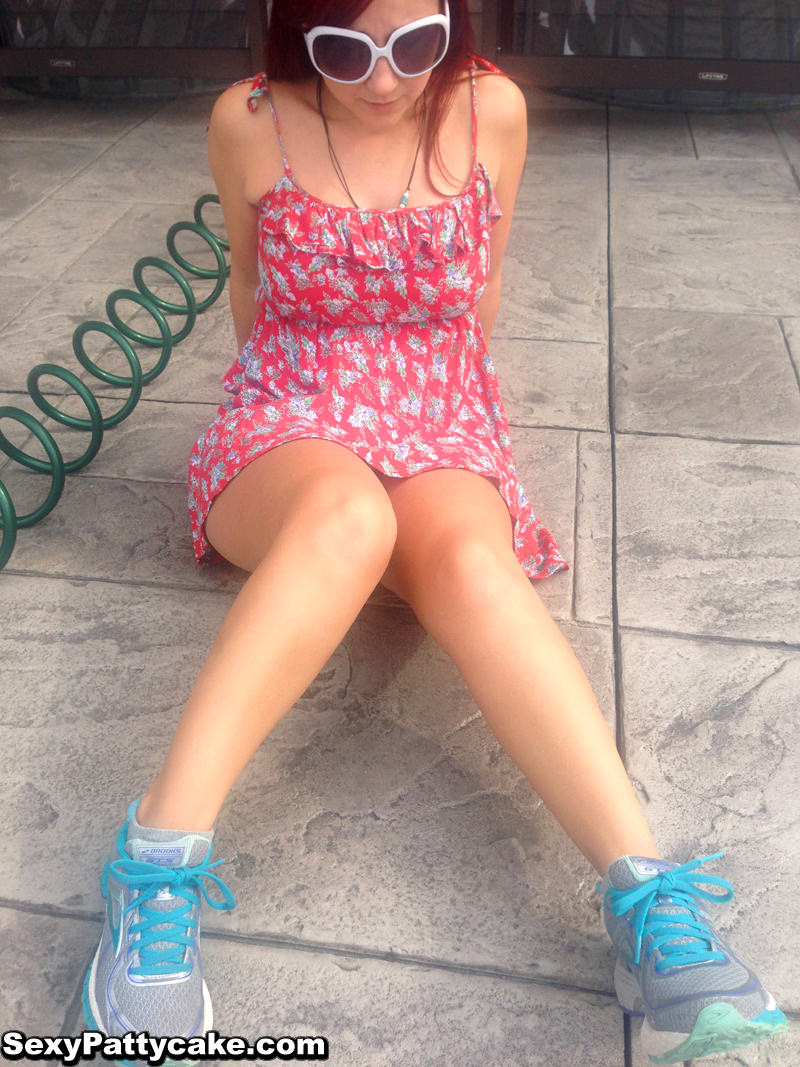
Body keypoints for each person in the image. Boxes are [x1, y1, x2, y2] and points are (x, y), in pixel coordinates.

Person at [82, 2, 787, 1063]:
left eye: (414, 43)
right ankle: (153, 863)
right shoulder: (249, 121)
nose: (384, 79)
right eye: (346, 50)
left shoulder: (491, 111)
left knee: (468, 560)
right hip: (290, 406)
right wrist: (314, 427)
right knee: (344, 516)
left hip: (440, 405)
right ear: (298, 35)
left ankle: (649, 900)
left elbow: (479, 294)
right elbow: (249, 289)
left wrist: (436, 421)